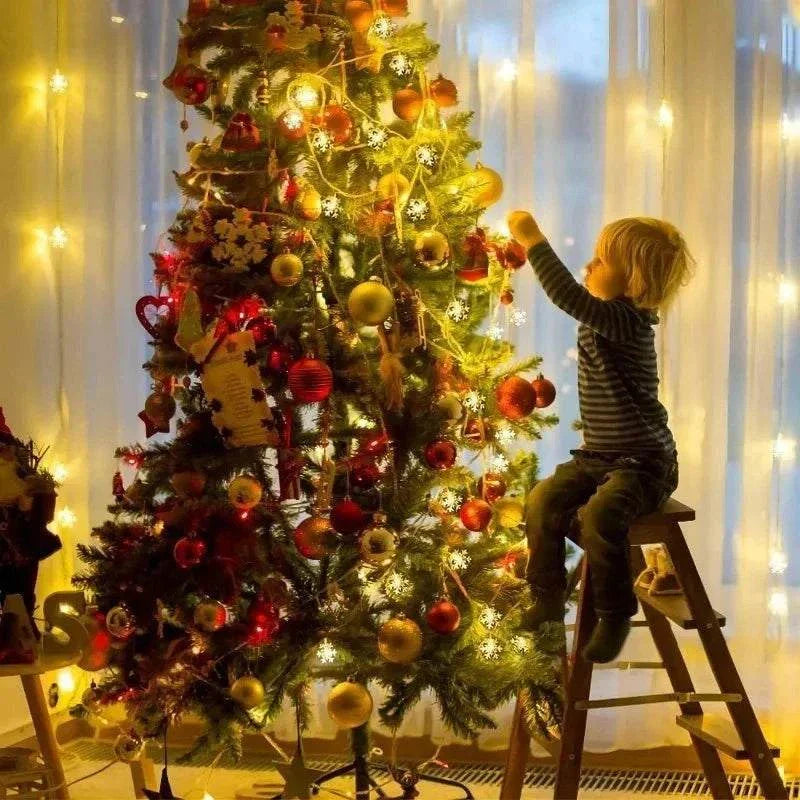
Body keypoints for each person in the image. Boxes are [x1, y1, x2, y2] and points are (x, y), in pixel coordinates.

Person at [506, 211, 694, 662]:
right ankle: (547, 595)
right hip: (598, 456)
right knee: (541, 500)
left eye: (601, 261)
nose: (590, 267)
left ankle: (614, 613)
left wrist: (533, 239)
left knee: (600, 517)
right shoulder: (605, 316)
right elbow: (580, 298)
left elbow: (566, 294)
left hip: (643, 465)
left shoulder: (625, 321)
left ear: (634, 280)